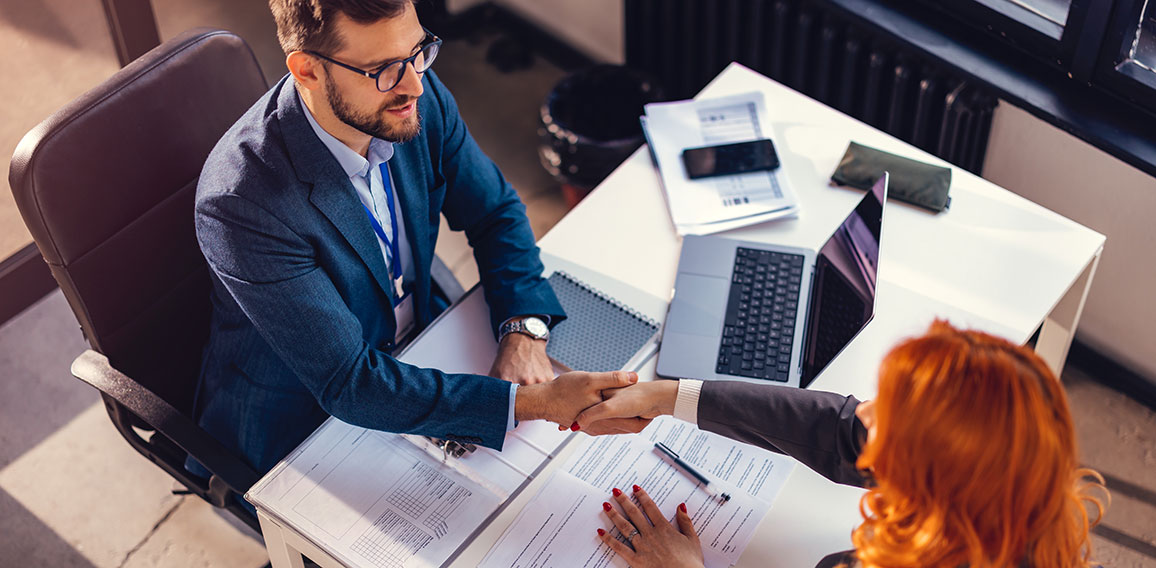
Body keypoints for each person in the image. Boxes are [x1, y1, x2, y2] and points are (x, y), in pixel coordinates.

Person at [190, 0, 620, 476]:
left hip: (421, 338)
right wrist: (528, 404)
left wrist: (523, 329)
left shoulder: (416, 94)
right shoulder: (241, 203)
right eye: (382, 70)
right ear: (308, 71)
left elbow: (495, 211)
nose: (414, 83)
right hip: (305, 419)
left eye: (418, 51)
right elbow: (349, 383)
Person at [577, 321, 1107, 567]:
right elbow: (835, 427)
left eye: (888, 417)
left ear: (930, 477)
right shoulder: (1018, 501)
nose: (863, 411)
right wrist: (668, 395)